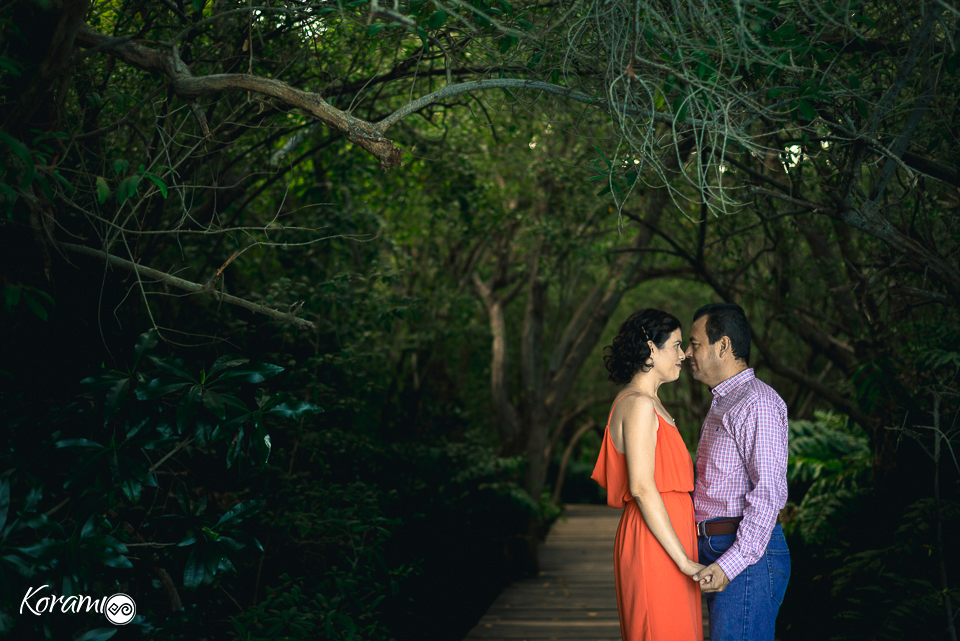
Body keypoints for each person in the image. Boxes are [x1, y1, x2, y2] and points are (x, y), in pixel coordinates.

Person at [591, 308, 704, 641]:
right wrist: (683, 561)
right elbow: (641, 487)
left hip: (671, 539)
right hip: (656, 544)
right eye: (676, 345)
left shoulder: (652, 403)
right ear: (651, 349)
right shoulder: (638, 404)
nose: (684, 354)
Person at [685, 303, 790, 641]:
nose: (687, 353)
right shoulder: (724, 402)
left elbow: (769, 493)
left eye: (695, 344)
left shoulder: (756, 402)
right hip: (719, 551)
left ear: (724, 345)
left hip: (745, 559)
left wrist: (729, 565)